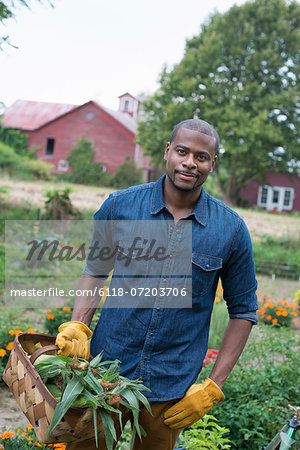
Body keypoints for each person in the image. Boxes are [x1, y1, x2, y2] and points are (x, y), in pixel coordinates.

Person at [56, 119, 258, 450]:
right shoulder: (121, 206)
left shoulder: (231, 230)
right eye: (182, 151)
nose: (190, 162)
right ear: (168, 151)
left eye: (202, 156)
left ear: (212, 164)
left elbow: (244, 311)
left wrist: (213, 386)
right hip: (105, 370)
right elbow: (95, 269)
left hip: (171, 384)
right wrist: (79, 324)